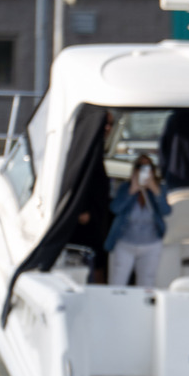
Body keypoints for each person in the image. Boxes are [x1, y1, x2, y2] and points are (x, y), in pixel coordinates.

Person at [105, 152, 171, 287]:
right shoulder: (125, 187)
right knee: (117, 282)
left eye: (148, 167)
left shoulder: (160, 188)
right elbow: (115, 208)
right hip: (125, 243)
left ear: (153, 171)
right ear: (134, 170)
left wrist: (155, 190)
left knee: (147, 283)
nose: (144, 171)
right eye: (140, 167)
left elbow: (166, 211)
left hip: (151, 244)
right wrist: (132, 190)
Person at [68, 112, 114, 283]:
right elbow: (76, 178)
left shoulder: (96, 146)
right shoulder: (87, 147)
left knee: (98, 257)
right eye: (105, 124)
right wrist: (82, 210)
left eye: (111, 124)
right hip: (85, 218)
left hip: (97, 215)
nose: (108, 128)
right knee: (91, 260)